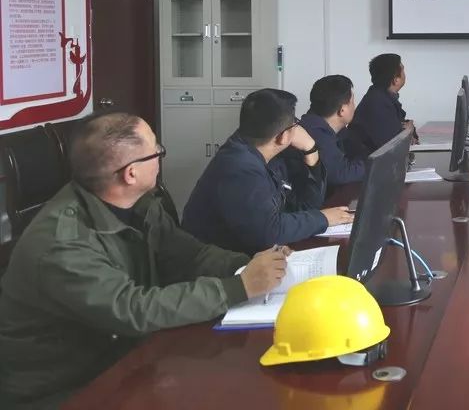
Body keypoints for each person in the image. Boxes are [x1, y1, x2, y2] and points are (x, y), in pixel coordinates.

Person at [0, 112, 290, 408]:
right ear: (131, 173)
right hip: (63, 388)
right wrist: (238, 287)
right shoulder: (61, 244)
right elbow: (131, 309)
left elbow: (189, 253)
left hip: (123, 355)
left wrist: (248, 265)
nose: (161, 155)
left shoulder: (138, 203)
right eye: (156, 151)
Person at [182, 89, 352, 255]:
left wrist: (311, 150)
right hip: (217, 263)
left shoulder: (259, 151)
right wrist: (323, 219)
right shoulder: (240, 168)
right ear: (283, 137)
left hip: (243, 252)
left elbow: (305, 205)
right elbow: (270, 231)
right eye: (295, 123)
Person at [295, 74, 366, 189]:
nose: (354, 106)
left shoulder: (333, 128)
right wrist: (373, 164)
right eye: (352, 102)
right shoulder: (315, 133)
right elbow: (341, 173)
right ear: (342, 110)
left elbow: (357, 150)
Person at [344, 53, 417, 158]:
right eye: (403, 70)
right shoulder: (378, 102)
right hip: (365, 164)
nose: (405, 74)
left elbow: (400, 126)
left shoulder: (381, 96)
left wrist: (409, 130)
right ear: (395, 79)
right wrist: (408, 131)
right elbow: (392, 145)